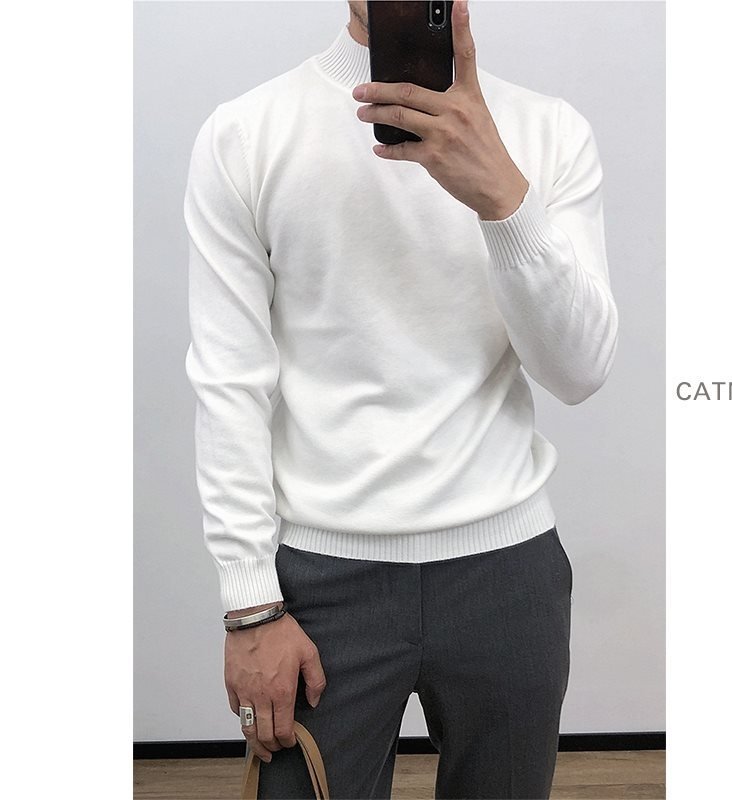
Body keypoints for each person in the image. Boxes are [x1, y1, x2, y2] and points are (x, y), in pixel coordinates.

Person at [182, 0, 619, 797]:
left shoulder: (548, 131)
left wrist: (504, 201)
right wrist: (249, 606)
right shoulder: (246, 133)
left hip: (506, 570)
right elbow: (230, 382)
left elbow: (580, 370)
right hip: (319, 581)